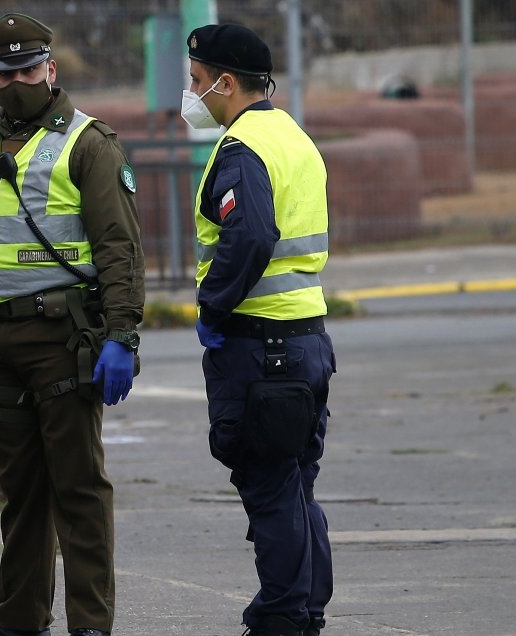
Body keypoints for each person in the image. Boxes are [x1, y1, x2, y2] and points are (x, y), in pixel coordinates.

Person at [0, 13, 145, 636]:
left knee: (78, 492)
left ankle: (90, 626)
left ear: (51, 69)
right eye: (6, 72)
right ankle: (20, 622)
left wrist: (122, 336)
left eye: (29, 69)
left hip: (65, 340)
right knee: (21, 499)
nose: (19, 80)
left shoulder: (88, 143)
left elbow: (119, 249)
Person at [183, 24, 336, 636]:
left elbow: (249, 235)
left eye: (197, 81)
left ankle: (280, 619)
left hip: (261, 347)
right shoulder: (292, 135)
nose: (192, 94)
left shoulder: (243, 148)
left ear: (226, 82)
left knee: (271, 489)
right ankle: (305, 611)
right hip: (306, 341)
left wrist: (213, 309)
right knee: (296, 487)